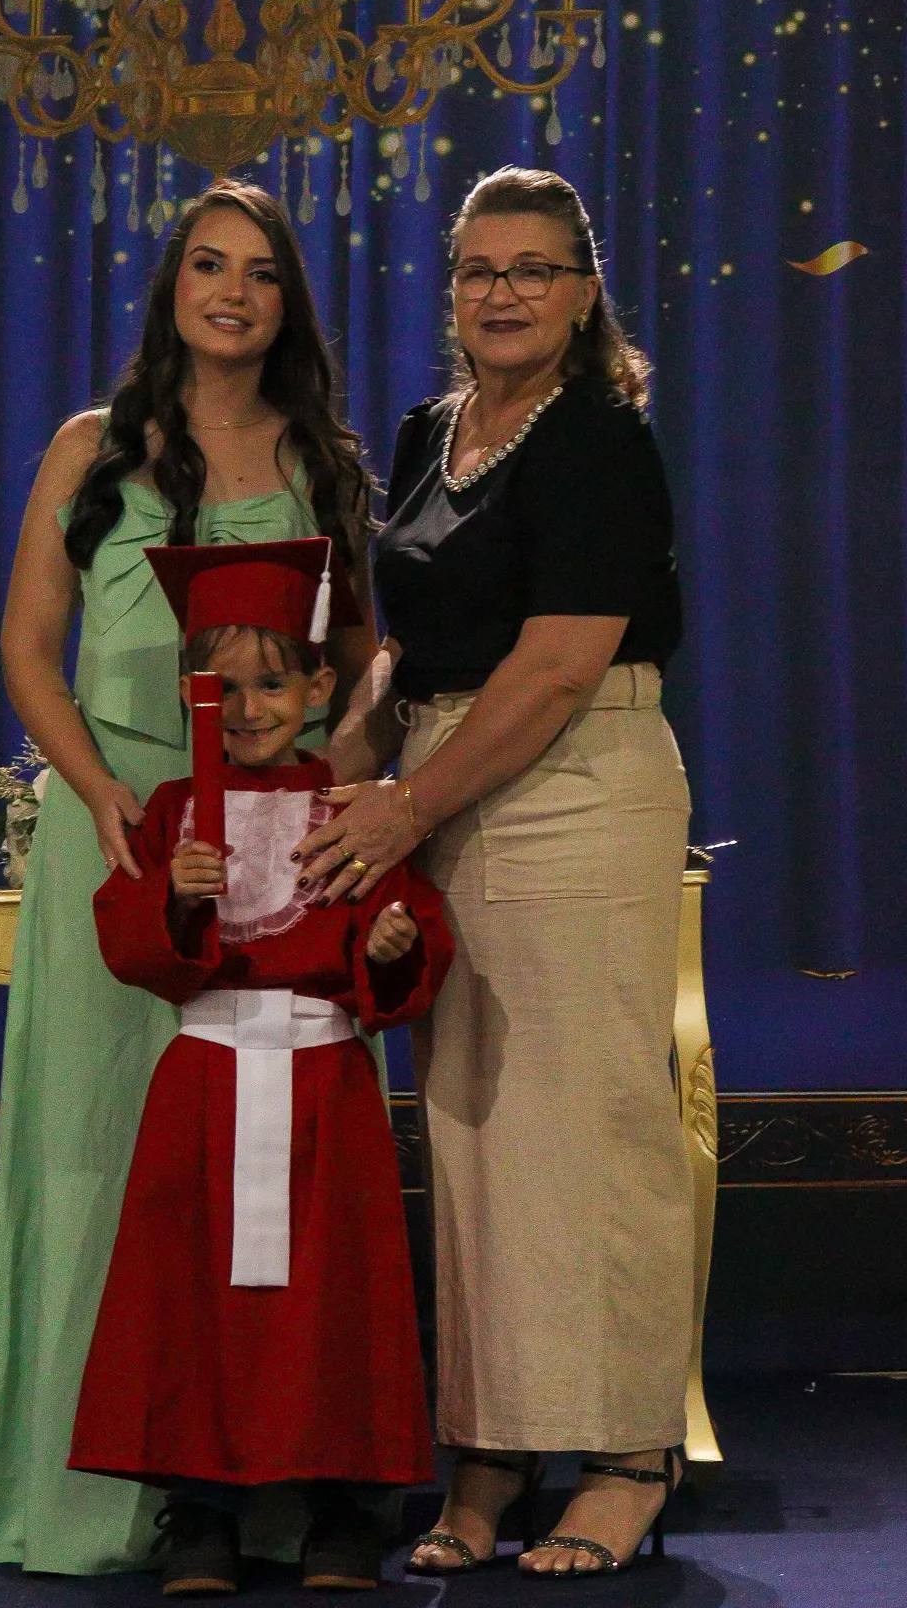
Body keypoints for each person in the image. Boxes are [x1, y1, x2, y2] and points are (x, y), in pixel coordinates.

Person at [0, 181, 378, 1576]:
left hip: (270, 861)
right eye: (208, 265)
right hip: (124, 836)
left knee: (261, 1180)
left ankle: (266, 1487)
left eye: (259, 272)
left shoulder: (321, 460)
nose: (231, 292)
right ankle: (86, 1497)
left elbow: (361, 661)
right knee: (100, 1152)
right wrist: (99, 794)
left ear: (286, 303)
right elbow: (26, 648)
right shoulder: (91, 447)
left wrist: (327, 791)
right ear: (171, 286)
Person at [300, 165, 695, 1579]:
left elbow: (558, 663)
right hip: (444, 788)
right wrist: (338, 769)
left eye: (532, 270)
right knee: (472, 1137)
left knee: (584, 1134)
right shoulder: (431, 429)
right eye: (478, 269)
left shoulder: (598, 438)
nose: (502, 293)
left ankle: (627, 1453)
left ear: (583, 295)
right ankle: (491, 1445)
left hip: (572, 783)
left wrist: (407, 803)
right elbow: (406, 641)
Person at [70, 538, 452, 1596]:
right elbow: (129, 939)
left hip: (327, 1090)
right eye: (222, 689)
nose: (247, 709)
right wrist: (174, 897)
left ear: (319, 689)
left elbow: (404, 929)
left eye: (273, 683)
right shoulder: (172, 815)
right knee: (192, 1300)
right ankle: (200, 1513)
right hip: (205, 1085)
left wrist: (392, 945)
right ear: (188, 694)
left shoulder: (354, 809)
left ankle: (341, 1512)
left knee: (334, 1300)